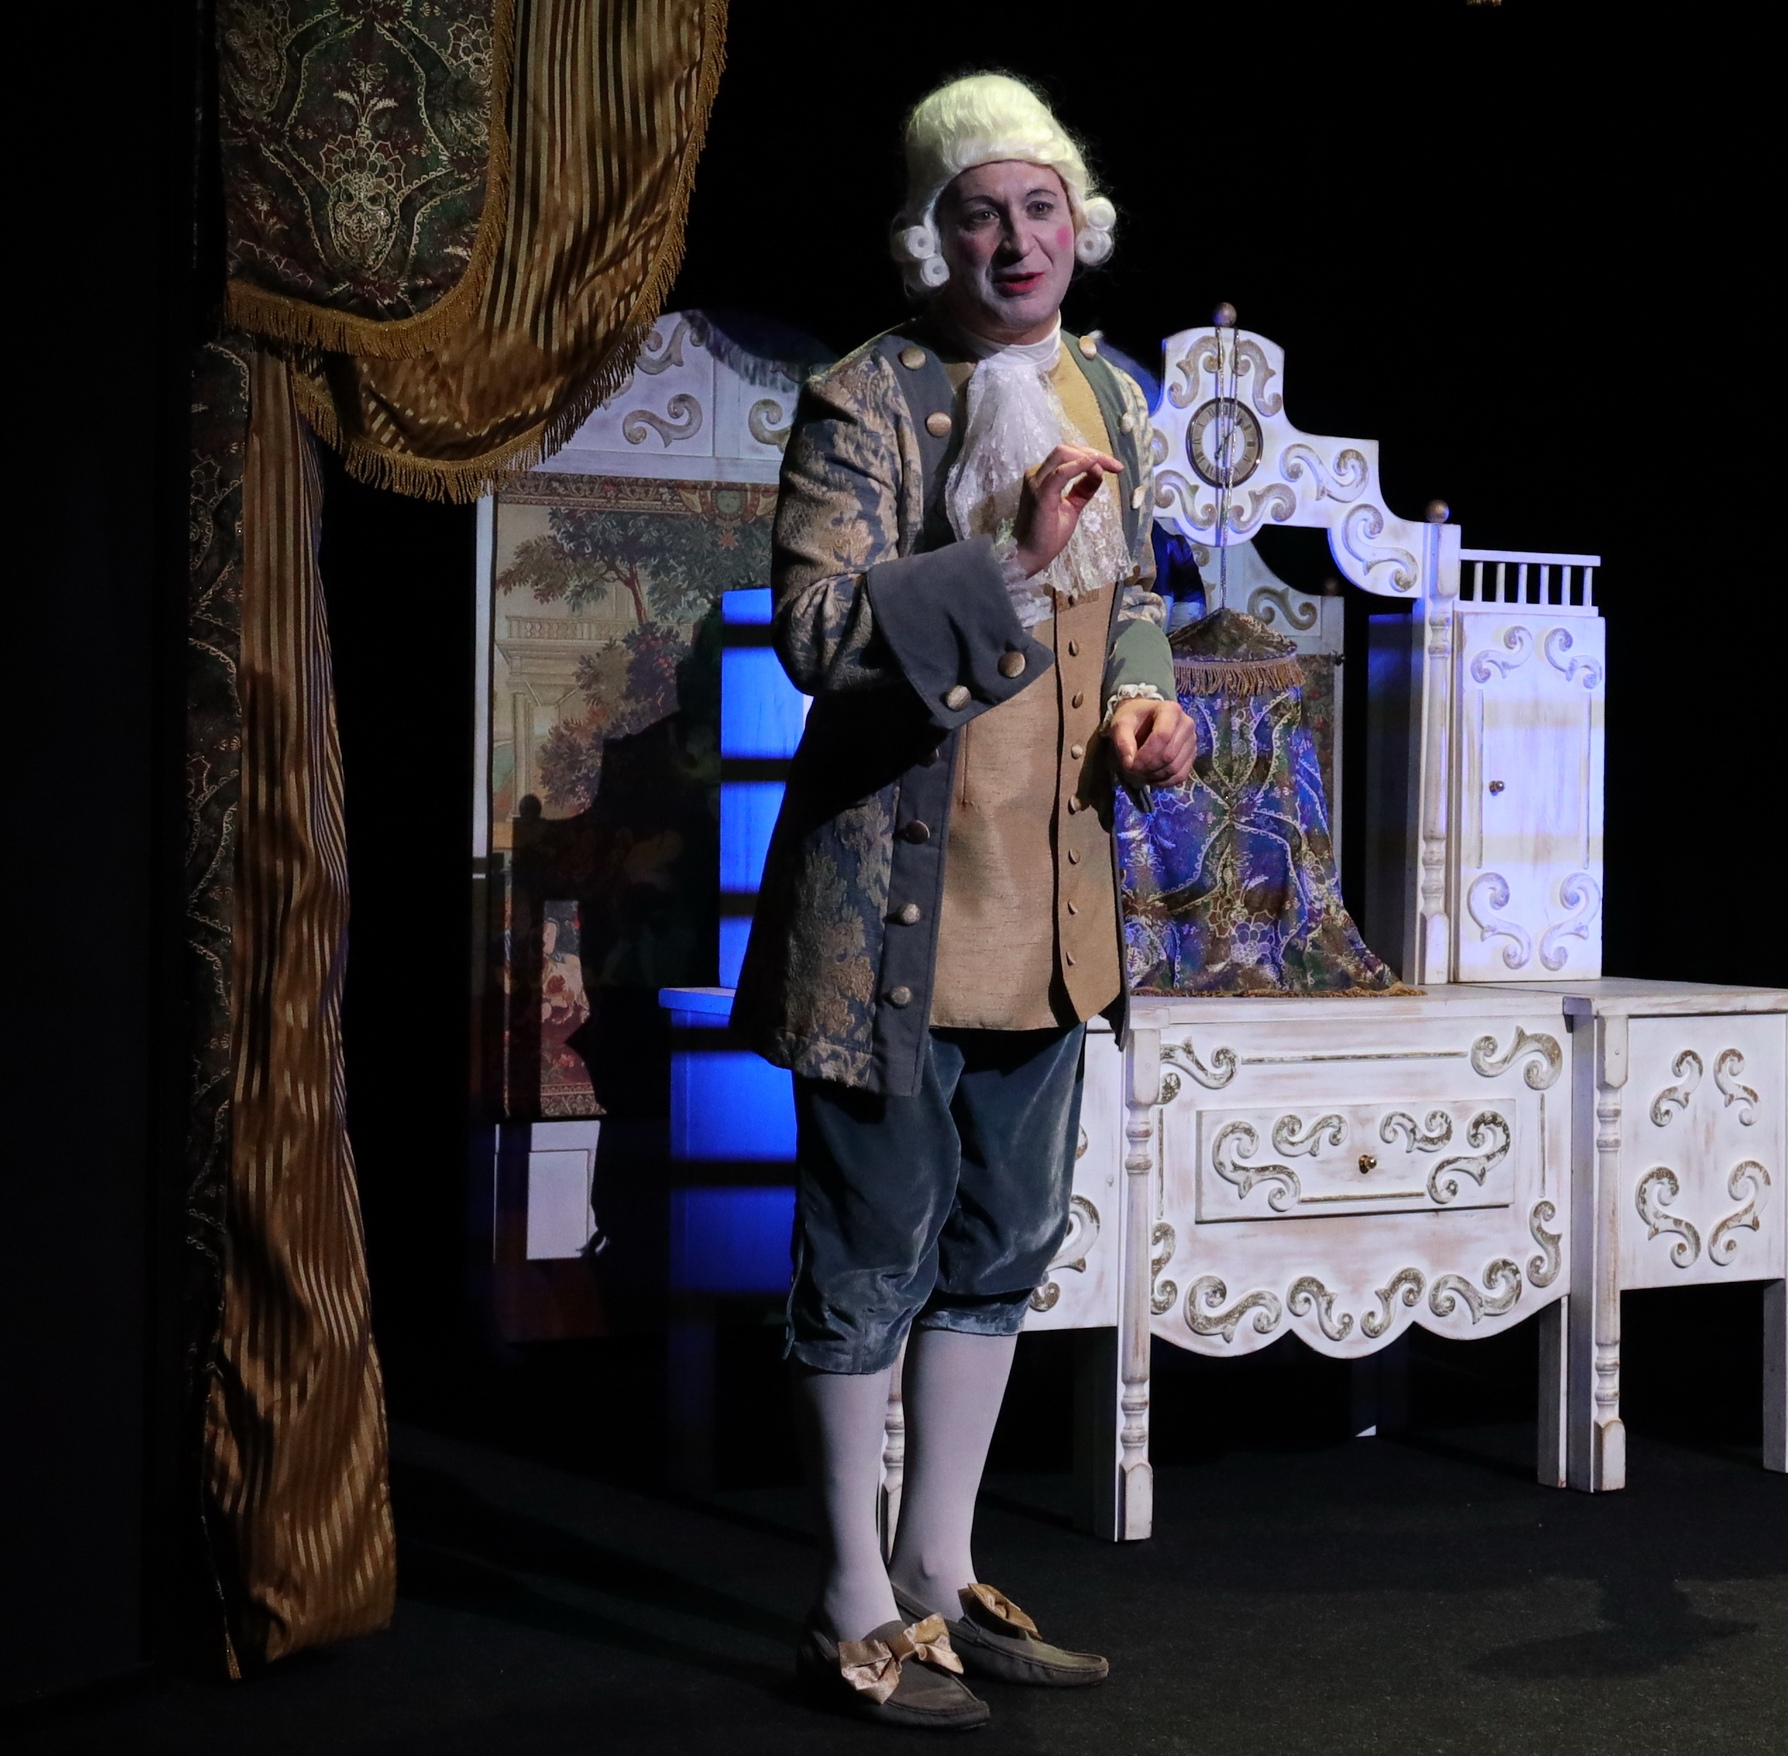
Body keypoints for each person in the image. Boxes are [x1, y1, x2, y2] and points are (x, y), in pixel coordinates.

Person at [729, 72, 1195, 1729]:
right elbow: (814, 636)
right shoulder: (867, 397)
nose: (1015, 240)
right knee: (868, 1259)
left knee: (1001, 1251)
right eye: (978, 213)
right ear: (933, 238)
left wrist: (1144, 701)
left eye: (1039, 207)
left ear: (1080, 223)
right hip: (891, 918)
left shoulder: (1114, 395)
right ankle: (848, 1599)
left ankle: (938, 1569)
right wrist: (1004, 556)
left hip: (1050, 914)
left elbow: (1136, 598)